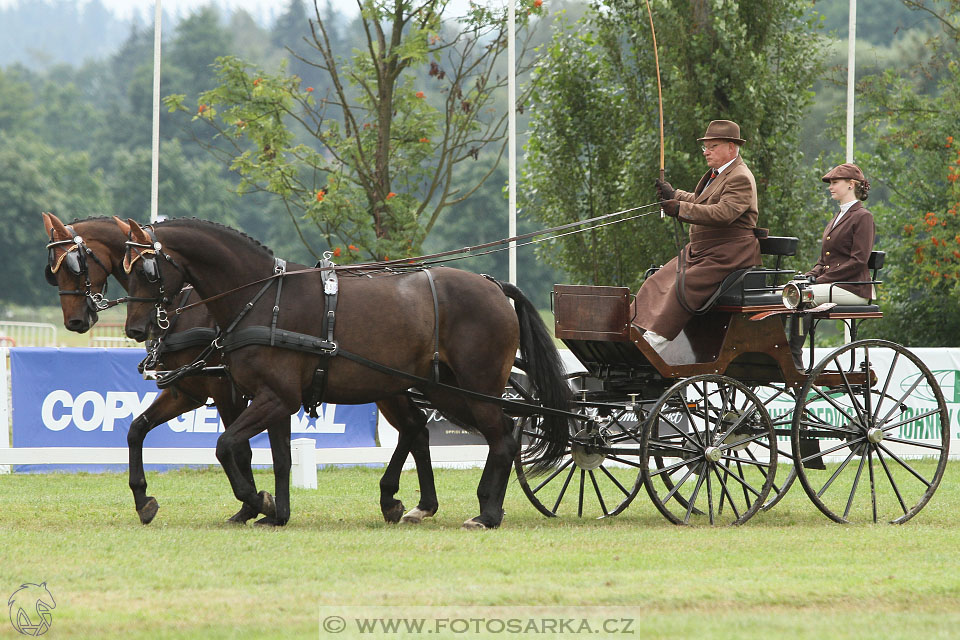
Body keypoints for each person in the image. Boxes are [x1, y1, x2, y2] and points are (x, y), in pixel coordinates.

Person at [634, 119, 761, 353]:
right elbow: (701, 201)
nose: (706, 152)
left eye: (712, 146)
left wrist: (679, 209)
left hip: (729, 254)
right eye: (705, 146)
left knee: (683, 286)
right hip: (703, 252)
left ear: (731, 147)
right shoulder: (718, 174)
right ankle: (635, 330)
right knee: (656, 281)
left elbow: (724, 213)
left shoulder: (740, 176)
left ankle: (652, 345)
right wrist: (676, 196)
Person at [789, 162, 876, 369]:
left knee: (802, 297)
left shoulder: (863, 217)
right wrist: (808, 276)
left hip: (854, 288)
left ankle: (793, 357)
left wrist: (820, 281)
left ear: (851, 184)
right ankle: (783, 351)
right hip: (834, 285)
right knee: (790, 291)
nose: (830, 186)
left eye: (835, 182)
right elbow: (823, 261)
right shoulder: (837, 217)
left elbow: (858, 261)